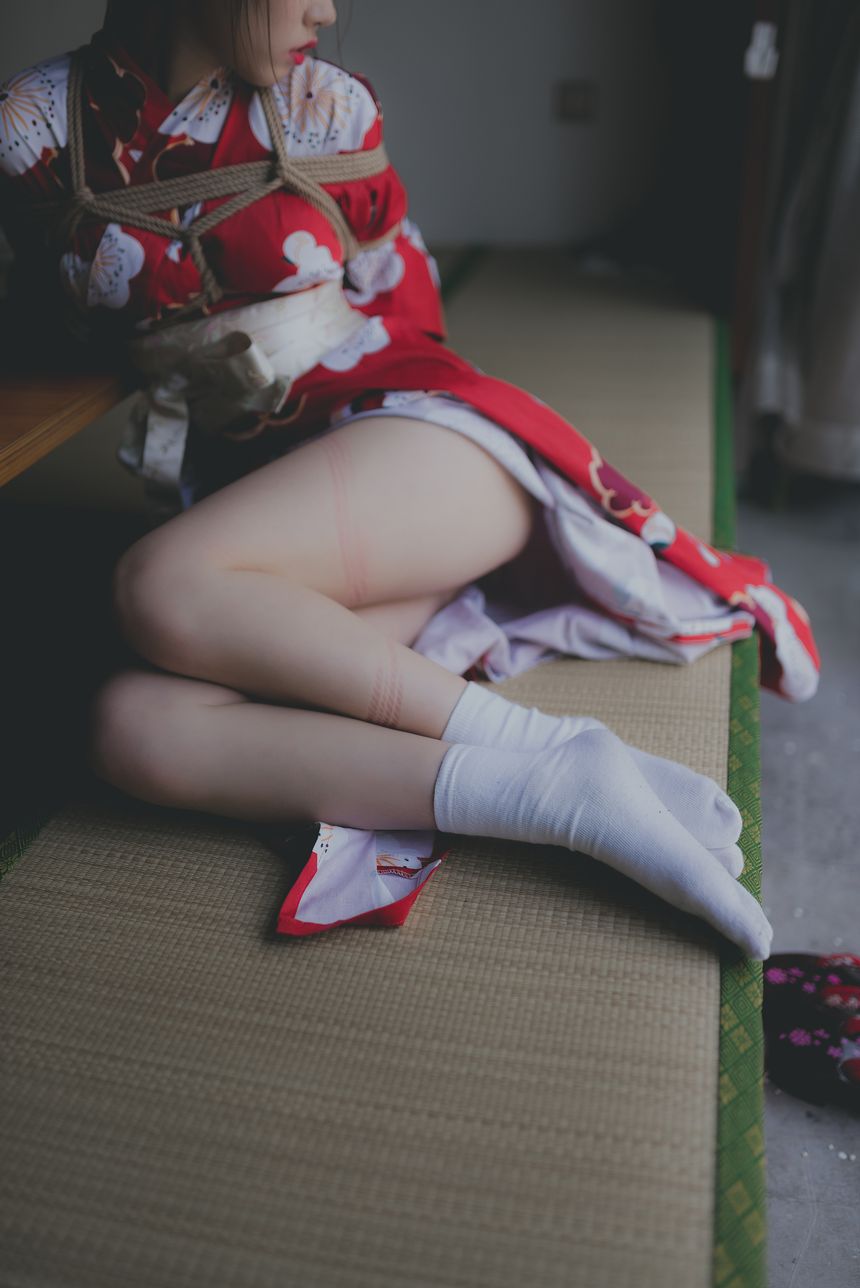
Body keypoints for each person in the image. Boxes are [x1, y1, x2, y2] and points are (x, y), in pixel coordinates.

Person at [0, 0, 818, 959]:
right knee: (129, 729)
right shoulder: (33, 130)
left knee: (154, 584)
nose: (327, 10)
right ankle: (547, 796)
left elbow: (406, 301)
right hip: (266, 511)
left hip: (420, 444)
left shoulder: (327, 107)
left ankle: (542, 743)